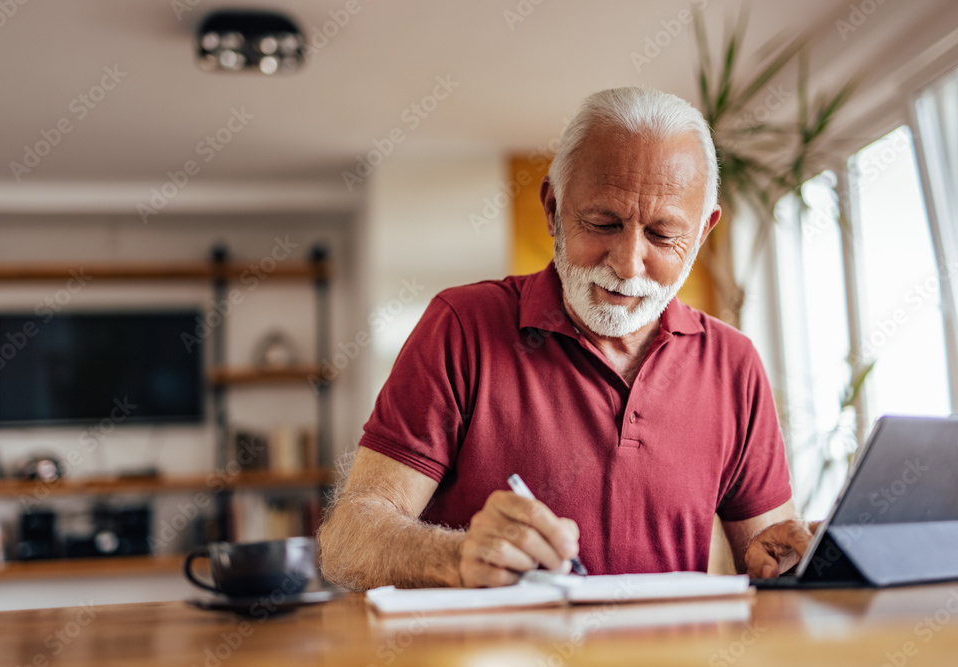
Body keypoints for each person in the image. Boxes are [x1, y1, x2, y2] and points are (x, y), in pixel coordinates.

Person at [319, 87, 818, 590]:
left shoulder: (733, 362)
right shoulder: (462, 326)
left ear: (704, 231)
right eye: (603, 222)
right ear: (553, 207)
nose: (627, 263)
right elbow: (347, 541)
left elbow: (774, 559)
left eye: (663, 235)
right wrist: (456, 555)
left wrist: (793, 560)